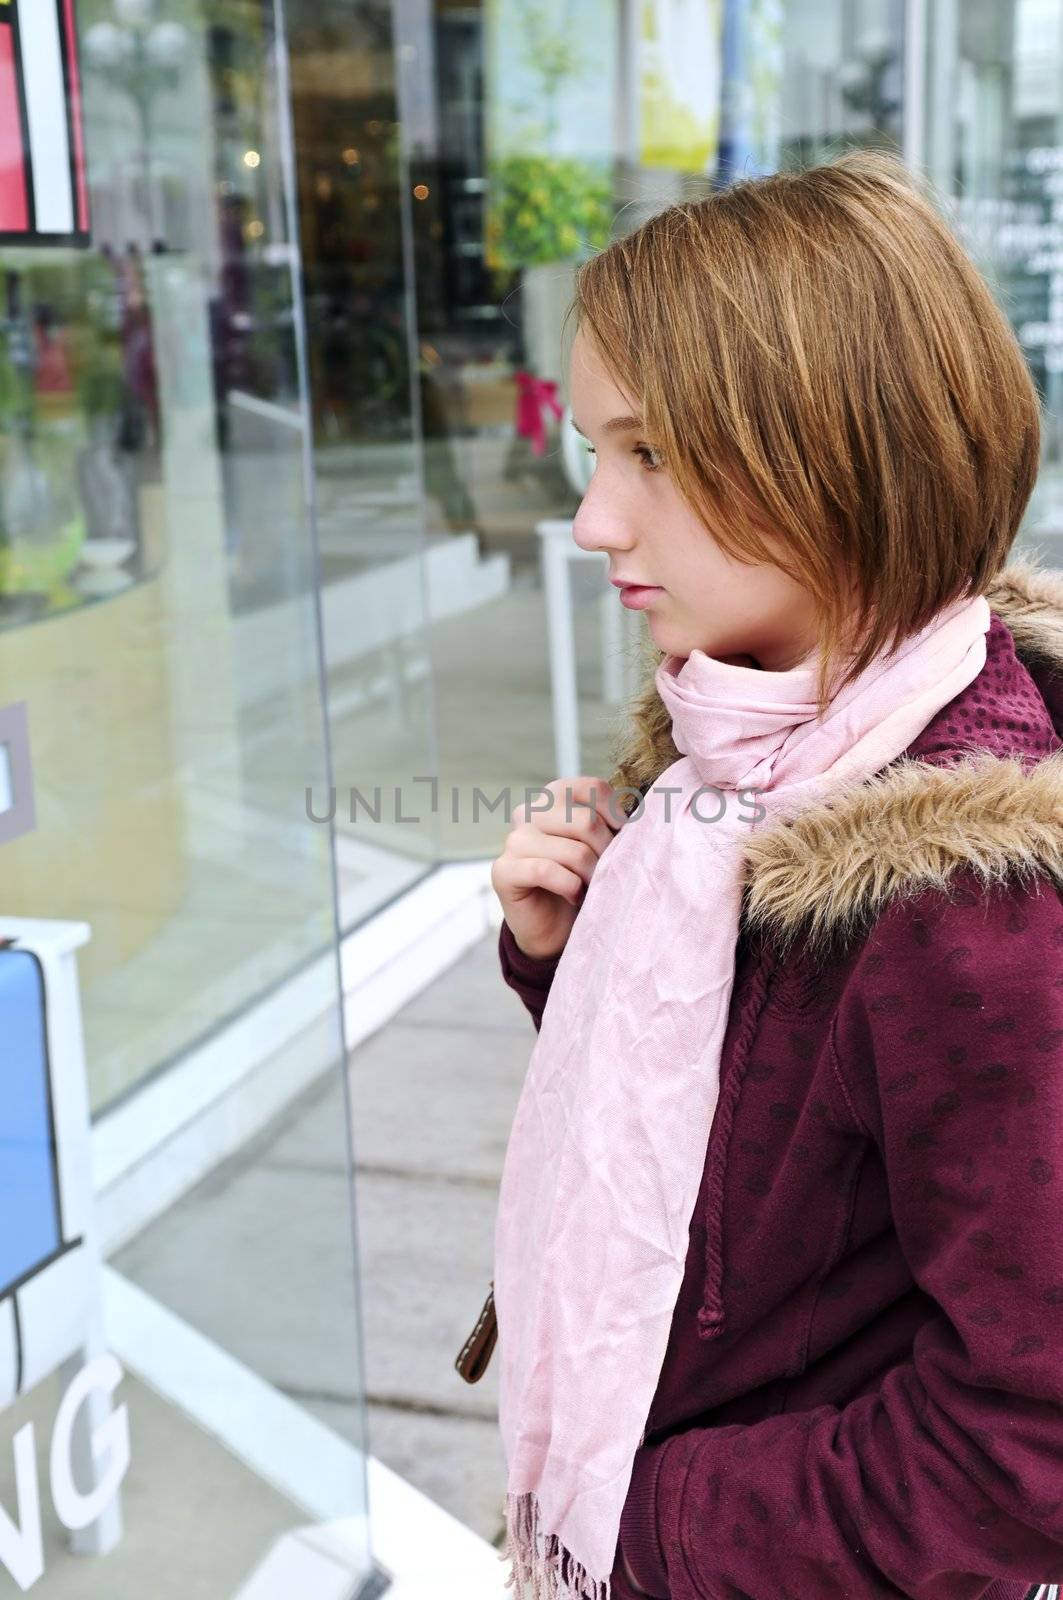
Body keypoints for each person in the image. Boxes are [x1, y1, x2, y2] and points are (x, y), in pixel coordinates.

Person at [485, 148, 1063, 1600]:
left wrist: (650, 1514)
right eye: (596, 452)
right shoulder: (739, 759)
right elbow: (771, 1170)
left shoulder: (967, 907)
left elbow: (1026, 1450)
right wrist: (572, 962)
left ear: (837, 448)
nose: (594, 521)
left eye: (654, 454)